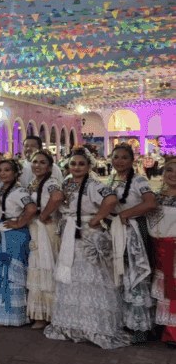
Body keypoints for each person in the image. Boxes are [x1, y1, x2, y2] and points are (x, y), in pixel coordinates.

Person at [44, 146, 130, 349]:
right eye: (73, 164)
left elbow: (111, 199)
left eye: (81, 164)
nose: (77, 167)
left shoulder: (93, 184)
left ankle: (94, 325)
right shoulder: (66, 183)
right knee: (71, 276)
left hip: (87, 234)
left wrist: (97, 218)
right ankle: (73, 323)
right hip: (70, 234)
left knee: (92, 277)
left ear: (89, 166)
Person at [107, 143, 157, 340]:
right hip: (115, 231)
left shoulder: (139, 180)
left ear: (132, 160)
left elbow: (150, 203)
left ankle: (139, 327)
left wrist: (125, 214)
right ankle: (124, 321)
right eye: (116, 157)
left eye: (124, 157)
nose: (119, 161)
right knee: (120, 275)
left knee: (134, 274)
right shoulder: (111, 179)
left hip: (133, 231)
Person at [0, 159, 37, 327]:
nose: (3, 173)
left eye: (7, 170)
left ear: (16, 172)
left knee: (12, 273)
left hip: (14, 234)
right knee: (3, 272)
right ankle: (4, 312)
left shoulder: (19, 191)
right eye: (0, 170)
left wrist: (19, 223)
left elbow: (31, 208)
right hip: (4, 232)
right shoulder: (2, 189)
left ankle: (12, 315)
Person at [26, 150, 64, 330]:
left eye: (42, 162)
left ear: (50, 167)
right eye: (35, 162)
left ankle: (47, 315)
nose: (37, 165)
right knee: (37, 268)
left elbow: (57, 197)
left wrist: (44, 214)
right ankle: (41, 313)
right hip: (35, 229)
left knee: (45, 268)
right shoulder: (34, 182)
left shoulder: (50, 182)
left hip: (46, 230)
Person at [150, 159, 176, 344]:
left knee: (173, 288)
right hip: (157, 248)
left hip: (173, 249)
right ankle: (164, 326)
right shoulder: (155, 196)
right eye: (169, 170)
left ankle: (172, 332)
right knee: (163, 288)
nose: (173, 174)